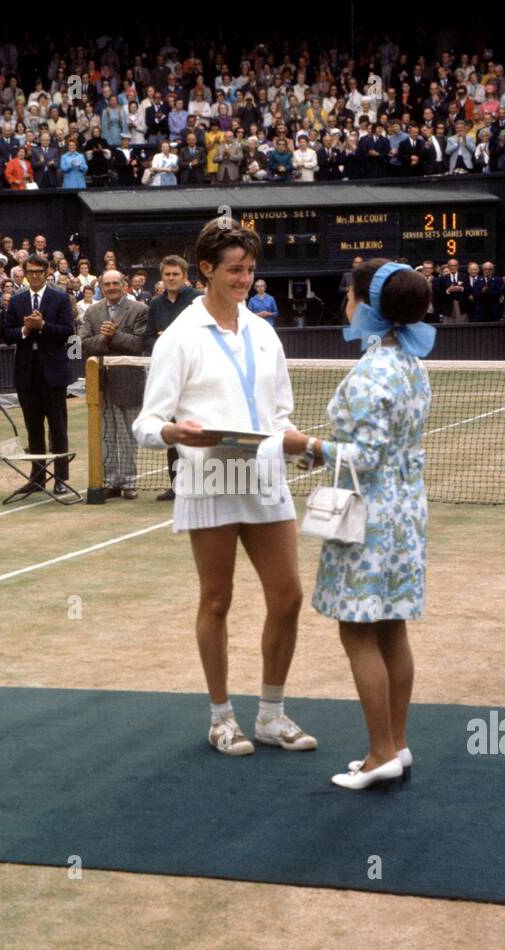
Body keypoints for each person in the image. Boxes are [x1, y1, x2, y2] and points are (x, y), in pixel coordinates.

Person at [132, 217, 319, 758]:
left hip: (263, 476)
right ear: (206, 270)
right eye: (235, 270)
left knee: (287, 596)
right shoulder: (180, 338)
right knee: (217, 600)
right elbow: (148, 423)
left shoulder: (264, 332)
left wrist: (302, 446)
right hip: (209, 475)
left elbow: (279, 412)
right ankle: (221, 718)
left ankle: (272, 716)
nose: (244, 280)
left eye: (251, 270)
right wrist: (173, 432)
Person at [303, 260, 433, 789]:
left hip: (368, 516)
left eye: (350, 294)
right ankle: (396, 745)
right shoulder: (411, 364)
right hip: (406, 511)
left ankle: (381, 752)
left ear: (367, 304)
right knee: (392, 627)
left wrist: (306, 445)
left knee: (358, 631)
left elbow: (366, 455)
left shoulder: (373, 371)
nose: (345, 303)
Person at [2, 254, 74, 496]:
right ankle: (37, 477)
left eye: (38, 272)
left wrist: (43, 326)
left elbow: (67, 331)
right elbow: (6, 333)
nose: (34, 275)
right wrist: (25, 328)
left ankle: (61, 477)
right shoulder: (17, 300)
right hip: (26, 374)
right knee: (33, 429)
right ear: (24, 273)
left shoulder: (60, 298)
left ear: (47, 273)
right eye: (30, 271)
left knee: (58, 428)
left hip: (53, 374)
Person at [79, 269, 149, 498]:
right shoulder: (92, 311)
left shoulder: (139, 309)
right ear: (101, 286)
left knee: (129, 435)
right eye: (106, 284)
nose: (111, 288)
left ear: (124, 285)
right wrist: (106, 337)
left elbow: (139, 344)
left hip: (130, 381)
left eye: (115, 283)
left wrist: (115, 335)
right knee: (106, 434)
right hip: (100, 382)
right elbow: (84, 344)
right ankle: (110, 481)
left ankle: (129, 483)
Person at [143, 255, 203, 500]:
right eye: (167, 274)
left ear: (185, 276)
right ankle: (177, 485)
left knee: (198, 433)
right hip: (168, 379)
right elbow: (146, 338)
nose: (170, 278)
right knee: (173, 432)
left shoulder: (198, 300)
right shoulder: (155, 304)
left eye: (175, 274)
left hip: (196, 378)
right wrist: (162, 340)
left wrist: (176, 339)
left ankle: (202, 482)